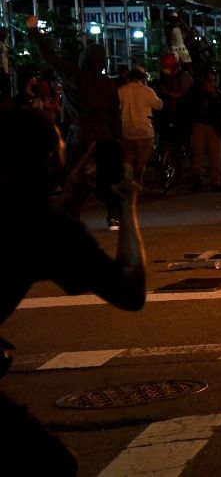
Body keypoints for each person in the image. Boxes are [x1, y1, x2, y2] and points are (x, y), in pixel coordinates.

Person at [0, 106, 147, 473]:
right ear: (50, 158)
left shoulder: (27, 215)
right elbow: (129, 290)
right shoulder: (39, 223)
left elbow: (39, 244)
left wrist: (72, 201)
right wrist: (127, 207)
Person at [27, 15, 124, 231]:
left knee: (75, 176)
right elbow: (115, 114)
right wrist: (116, 138)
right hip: (104, 135)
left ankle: (73, 217)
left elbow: (49, 56)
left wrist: (34, 31)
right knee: (107, 178)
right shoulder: (108, 85)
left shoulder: (74, 75)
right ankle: (113, 217)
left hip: (80, 133)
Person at [118, 66, 163, 185]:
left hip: (127, 131)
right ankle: (138, 183)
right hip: (144, 131)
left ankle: (128, 183)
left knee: (128, 159)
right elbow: (159, 105)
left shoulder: (121, 91)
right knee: (142, 161)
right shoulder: (147, 91)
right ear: (142, 78)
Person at [185, 69, 221, 192]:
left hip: (214, 126)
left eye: (213, 80)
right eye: (209, 80)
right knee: (197, 153)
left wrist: (214, 95)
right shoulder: (194, 93)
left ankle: (216, 181)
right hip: (199, 124)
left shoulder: (217, 93)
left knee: (216, 155)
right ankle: (197, 178)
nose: (211, 82)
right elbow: (189, 107)